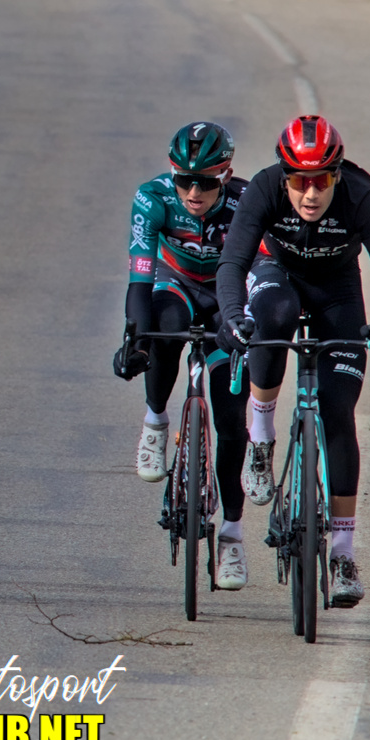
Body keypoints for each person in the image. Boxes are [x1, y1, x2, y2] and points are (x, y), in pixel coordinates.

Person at [216, 117, 370, 610]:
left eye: (321, 180)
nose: (310, 193)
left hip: (336, 291)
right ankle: (260, 440)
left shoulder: (361, 195)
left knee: (337, 410)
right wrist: (234, 316)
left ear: (337, 175)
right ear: (284, 177)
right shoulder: (264, 188)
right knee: (273, 315)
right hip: (276, 273)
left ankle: (344, 554)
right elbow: (233, 264)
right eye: (300, 181)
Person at [115, 122, 253, 591]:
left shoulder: (247, 201)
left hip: (227, 296)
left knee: (232, 419)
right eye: (184, 180)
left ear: (227, 176)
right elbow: (139, 278)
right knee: (164, 327)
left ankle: (232, 536)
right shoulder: (152, 197)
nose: (194, 192)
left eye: (208, 182)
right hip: (174, 286)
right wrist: (134, 340)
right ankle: (155, 421)